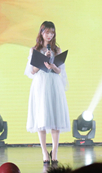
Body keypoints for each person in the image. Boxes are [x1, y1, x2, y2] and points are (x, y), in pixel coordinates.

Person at [26, 20, 70, 167]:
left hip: (54, 84)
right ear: (41, 33)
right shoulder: (34, 50)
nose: (49, 35)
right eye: (47, 32)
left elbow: (59, 70)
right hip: (40, 85)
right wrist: (42, 61)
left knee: (56, 118)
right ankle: (45, 152)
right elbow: (32, 71)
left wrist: (52, 66)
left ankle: (55, 152)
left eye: (52, 32)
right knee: (42, 118)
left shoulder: (57, 49)